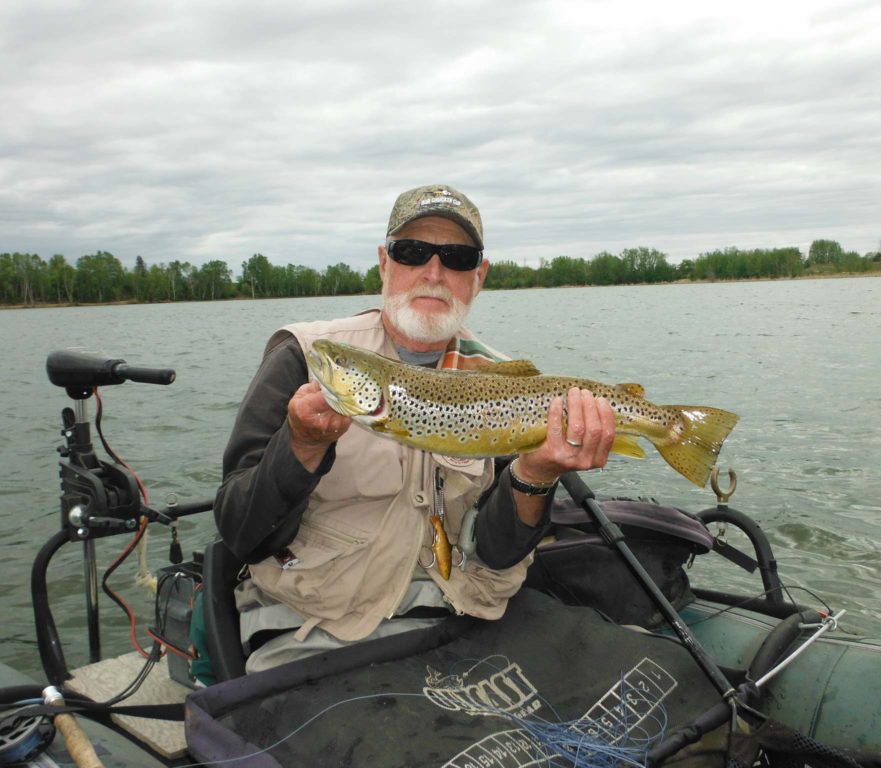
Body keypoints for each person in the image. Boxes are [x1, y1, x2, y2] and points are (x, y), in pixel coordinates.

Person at [213, 184, 616, 672]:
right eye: (412, 252)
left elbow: (498, 550)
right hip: (318, 631)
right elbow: (243, 533)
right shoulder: (304, 355)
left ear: (479, 276)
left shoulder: (506, 379)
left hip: (463, 622)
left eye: (457, 257)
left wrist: (537, 473)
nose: (434, 271)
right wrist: (300, 447)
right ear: (384, 263)